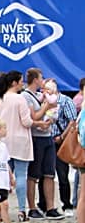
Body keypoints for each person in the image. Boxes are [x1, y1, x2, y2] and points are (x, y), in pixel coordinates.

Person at [0, 71, 35, 222]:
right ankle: (22, 209)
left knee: (2, 176)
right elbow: (26, 122)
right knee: (21, 175)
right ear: (14, 83)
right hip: (20, 141)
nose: (23, 83)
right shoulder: (20, 99)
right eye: (21, 81)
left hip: (2, 140)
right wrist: (36, 120)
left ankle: (0, 209)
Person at [20, 68, 60, 220]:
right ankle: (32, 207)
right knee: (33, 174)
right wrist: (46, 107)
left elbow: (51, 110)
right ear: (35, 79)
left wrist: (51, 109)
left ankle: (50, 207)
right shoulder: (26, 96)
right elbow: (34, 116)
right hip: (36, 138)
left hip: (48, 135)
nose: (42, 81)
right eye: (41, 77)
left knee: (49, 173)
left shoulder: (40, 95)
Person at [40, 79, 77, 214]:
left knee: (62, 174)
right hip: (45, 139)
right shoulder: (42, 101)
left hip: (60, 141)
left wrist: (62, 137)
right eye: (44, 89)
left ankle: (66, 204)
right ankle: (43, 204)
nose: (46, 92)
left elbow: (72, 121)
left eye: (48, 90)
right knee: (44, 174)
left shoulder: (66, 101)